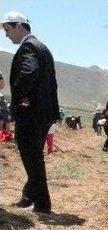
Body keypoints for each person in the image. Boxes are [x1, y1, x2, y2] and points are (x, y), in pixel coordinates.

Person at [2, 11, 59, 214]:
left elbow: (28, 72)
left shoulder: (28, 47)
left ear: (19, 26)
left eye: (8, 30)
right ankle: (29, 196)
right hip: (42, 113)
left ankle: (42, 205)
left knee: (32, 157)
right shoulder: (41, 47)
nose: (7, 36)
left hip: (32, 115)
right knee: (33, 155)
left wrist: (18, 99)